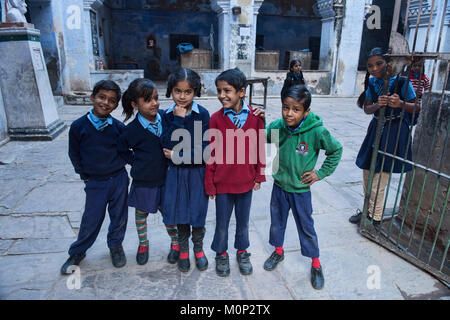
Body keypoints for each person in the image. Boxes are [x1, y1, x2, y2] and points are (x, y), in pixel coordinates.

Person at [263, 84, 342, 290]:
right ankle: (278, 252)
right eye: (285, 107)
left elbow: (336, 150)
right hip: (279, 187)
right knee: (276, 222)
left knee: (306, 227)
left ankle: (315, 263)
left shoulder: (317, 131)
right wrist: (258, 119)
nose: (289, 114)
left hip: (300, 191)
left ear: (306, 111)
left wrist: (320, 173)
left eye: (296, 109)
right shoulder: (277, 126)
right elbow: (262, 139)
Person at [61, 80, 130, 274]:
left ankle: (115, 247)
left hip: (118, 179)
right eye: (102, 97)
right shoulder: (78, 126)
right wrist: (84, 176)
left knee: (119, 217)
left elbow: (126, 152)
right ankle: (78, 251)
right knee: (91, 218)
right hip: (95, 182)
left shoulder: (118, 127)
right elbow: (74, 154)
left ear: (116, 105)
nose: (105, 103)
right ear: (92, 97)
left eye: (112, 100)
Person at [205, 68, 266, 277]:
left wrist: (259, 175)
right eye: (219, 91)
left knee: (243, 220)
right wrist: (210, 183)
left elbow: (260, 148)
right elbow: (210, 153)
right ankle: (221, 253)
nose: (222, 95)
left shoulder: (256, 118)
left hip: (246, 182)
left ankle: (242, 251)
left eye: (227, 90)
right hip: (222, 184)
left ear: (241, 91)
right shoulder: (215, 119)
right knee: (222, 222)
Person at [349, 48, 418, 226]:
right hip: (376, 127)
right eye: (370, 65)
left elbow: (417, 107)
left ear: (389, 63)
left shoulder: (402, 82)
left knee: (381, 174)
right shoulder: (372, 83)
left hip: (394, 129)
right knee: (367, 169)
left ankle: (376, 217)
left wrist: (400, 104)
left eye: (379, 63)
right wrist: (377, 105)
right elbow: (367, 108)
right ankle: (367, 210)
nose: (374, 68)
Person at [118, 78, 179, 266]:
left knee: (169, 215)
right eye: (148, 100)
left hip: (167, 179)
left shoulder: (167, 118)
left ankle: (176, 244)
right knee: (141, 213)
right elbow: (122, 150)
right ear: (135, 104)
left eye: (156, 98)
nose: (154, 103)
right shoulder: (132, 130)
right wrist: (137, 162)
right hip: (144, 180)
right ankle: (143, 244)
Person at [160, 68, 210, 273]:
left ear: (195, 92)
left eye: (187, 92)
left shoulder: (203, 115)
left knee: (198, 211)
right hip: (176, 174)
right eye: (177, 91)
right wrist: (178, 120)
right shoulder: (167, 115)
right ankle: (183, 249)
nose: (182, 96)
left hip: (198, 173)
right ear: (171, 91)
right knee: (180, 212)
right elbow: (166, 145)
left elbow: (203, 151)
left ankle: (198, 249)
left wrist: (178, 156)